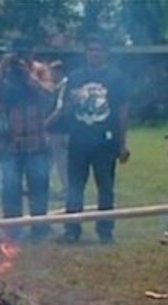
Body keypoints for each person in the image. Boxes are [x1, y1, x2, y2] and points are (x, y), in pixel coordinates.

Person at [59, 35, 129, 244]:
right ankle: (72, 229)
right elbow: (66, 108)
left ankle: (105, 231)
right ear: (85, 53)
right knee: (74, 187)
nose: (94, 53)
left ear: (105, 53)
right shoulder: (75, 77)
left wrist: (122, 143)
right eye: (90, 50)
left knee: (105, 188)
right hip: (79, 139)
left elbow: (123, 111)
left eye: (98, 50)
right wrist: (65, 132)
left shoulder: (116, 77)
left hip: (105, 142)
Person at [0, 37, 53, 241]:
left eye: (25, 52)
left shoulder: (40, 70)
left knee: (39, 186)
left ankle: (39, 228)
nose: (21, 56)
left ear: (32, 52)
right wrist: (3, 69)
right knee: (10, 187)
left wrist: (27, 74)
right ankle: (12, 230)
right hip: (9, 140)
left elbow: (48, 94)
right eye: (17, 52)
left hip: (36, 138)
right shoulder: (0, 70)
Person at [46, 60, 69, 200]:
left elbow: (60, 109)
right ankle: (46, 186)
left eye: (54, 71)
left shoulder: (64, 86)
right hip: (52, 130)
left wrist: (45, 123)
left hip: (61, 129)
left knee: (62, 161)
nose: (52, 74)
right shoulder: (53, 86)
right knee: (47, 160)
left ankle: (67, 189)